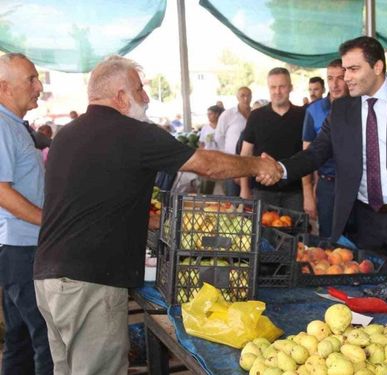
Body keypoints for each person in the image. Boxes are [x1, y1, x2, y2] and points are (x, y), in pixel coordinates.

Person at [32, 55, 282, 374]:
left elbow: (96, 203)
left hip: (49, 277)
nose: (147, 98)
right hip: (89, 281)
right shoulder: (134, 133)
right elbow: (206, 164)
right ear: (121, 96)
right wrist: (258, 165)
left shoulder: (67, 134)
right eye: (139, 90)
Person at [279, 36, 387, 271]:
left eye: (353, 69)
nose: (346, 77)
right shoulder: (341, 109)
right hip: (364, 222)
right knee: (369, 295)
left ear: (378, 66)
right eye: (344, 70)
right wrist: (280, 169)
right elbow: (316, 153)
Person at [0, 53, 53, 375]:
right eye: (31, 79)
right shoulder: (3, 127)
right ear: (4, 87)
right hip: (21, 249)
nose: (39, 85)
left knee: (19, 338)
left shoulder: (14, 125)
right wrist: (51, 223)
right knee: (45, 336)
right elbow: (1, 191)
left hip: (19, 247)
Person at [240, 67, 306, 211]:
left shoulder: (303, 115)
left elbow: (309, 155)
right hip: (262, 191)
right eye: (273, 87)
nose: (277, 91)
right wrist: (244, 188)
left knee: (295, 232)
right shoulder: (256, 116)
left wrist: (310, 193)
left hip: (295, 192)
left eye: (282, 86)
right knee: (262, 233)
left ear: (290, 88)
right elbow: (245, 154)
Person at [301, 59, 349, 237]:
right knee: (329, 241)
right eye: (330, 78)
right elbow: (307, 155)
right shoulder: (313, 111)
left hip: (358, 185)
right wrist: (308, 193)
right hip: (327, 185)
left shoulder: (361, 105)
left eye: (340, 78)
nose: (335, 84)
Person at [215, 86, 252, 196]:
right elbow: (219, 136)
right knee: (232, 199)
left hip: (250, 163)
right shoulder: (228, 114)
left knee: (250, 199)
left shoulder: (255, 114)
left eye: (248, 95)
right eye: (242, 96)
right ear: (237, 97)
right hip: (231, 162)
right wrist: (227, 154)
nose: (246, 98)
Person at [198, 105, 224, 194]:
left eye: (210, 114)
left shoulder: (222, 127)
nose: (208, 116)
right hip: (208, 158)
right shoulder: (205, 127)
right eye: (207, 114)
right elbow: (201, 143)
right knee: (207, 184)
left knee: (223, 184)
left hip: (222, 158)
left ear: (217, 114)